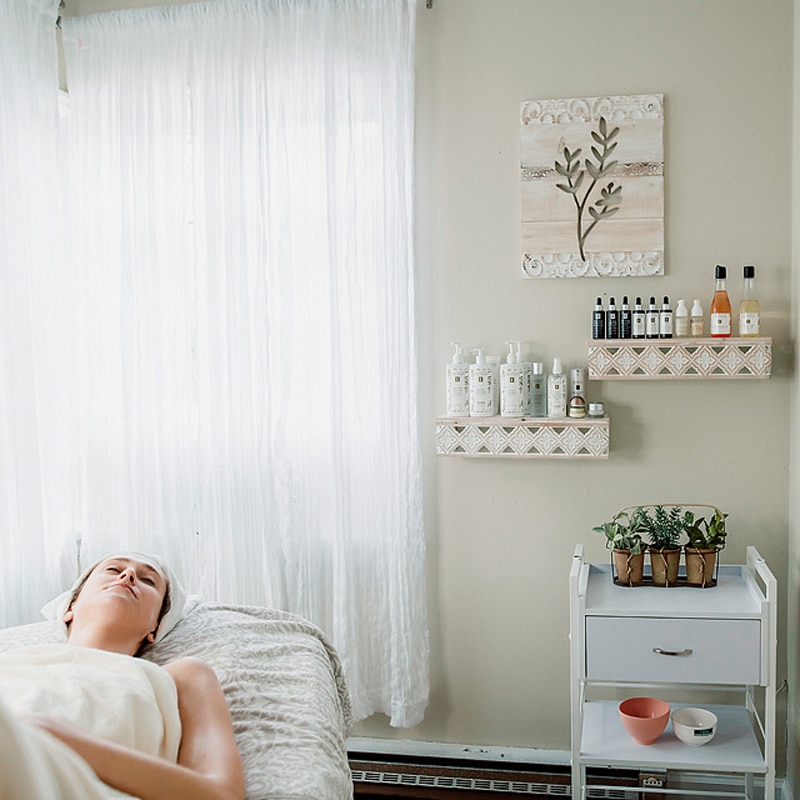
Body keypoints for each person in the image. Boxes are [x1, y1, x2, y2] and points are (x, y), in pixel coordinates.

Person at [0, 553, 246, 800]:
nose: (127, 576)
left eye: (148, 580)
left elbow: (220, 794)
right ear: (70, 608)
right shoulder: (10, 661)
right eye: (112, 569)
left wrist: (55, 736)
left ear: (155, 627)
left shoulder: (181, 676)